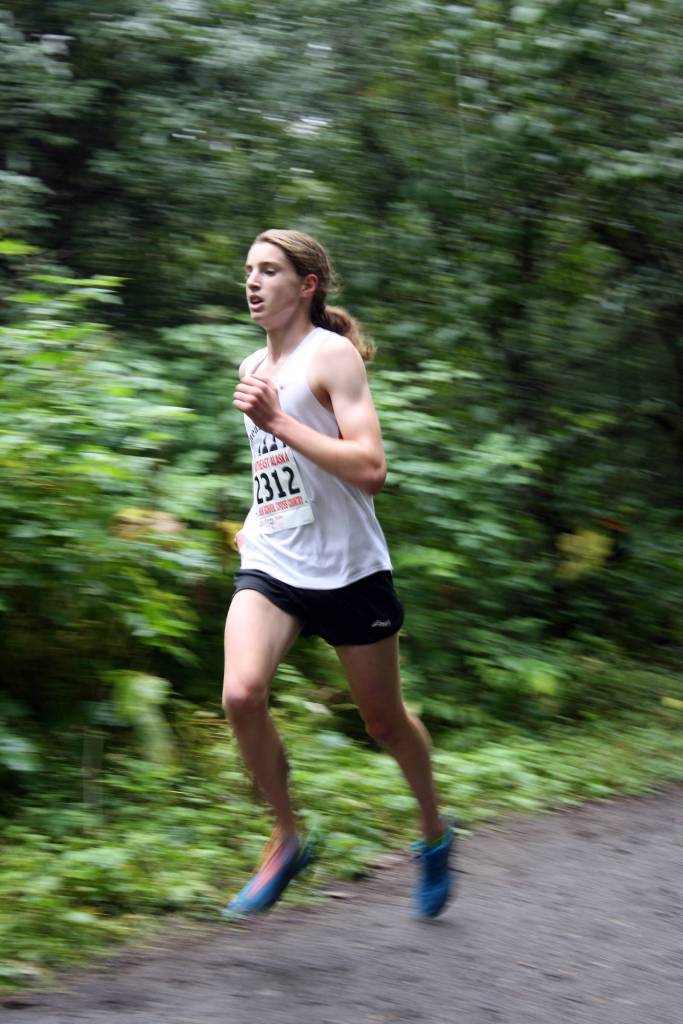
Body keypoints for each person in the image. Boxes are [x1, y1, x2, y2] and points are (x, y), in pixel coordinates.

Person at [222, 229, 454, 918]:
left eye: (270, 270)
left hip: (348, 572)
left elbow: (370, 470)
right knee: (241, 694)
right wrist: (254, 513)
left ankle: (434, 833)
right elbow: (279, 472)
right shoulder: (248, 365)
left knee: (383, 724)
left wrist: (280, 423)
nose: (254, 282)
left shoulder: (332, 355)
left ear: (307, 285)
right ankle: (287, 837)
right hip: (274, 560)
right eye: (248, 271)